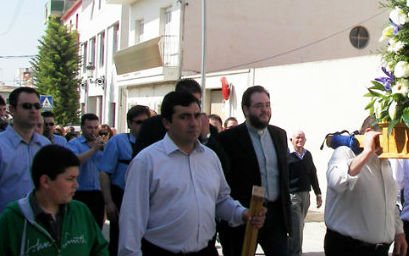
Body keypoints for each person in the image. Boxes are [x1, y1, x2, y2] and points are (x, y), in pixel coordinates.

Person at [118, 91, 266, 256]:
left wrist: (243, 213)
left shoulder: (210, 158)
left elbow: (221, 201)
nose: (193, 123)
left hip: (205, 250)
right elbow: (131, 221)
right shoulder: (146, 162)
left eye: (196, 116)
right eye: (184, 117)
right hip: (161, 250)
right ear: (167, 123)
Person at [0, 144, 109, 255]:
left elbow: (99, 248)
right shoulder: (14, 218)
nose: (76, 185)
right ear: (45, 181)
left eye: (77, 178)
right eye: (70, 179)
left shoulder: (80, 212)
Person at [0, 87, 50, 253]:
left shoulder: (45, 146)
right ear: (12, 110)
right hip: (7, 229)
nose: (33, 111)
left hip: (41, 229)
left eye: (37, 106)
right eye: (27, 106)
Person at [219, 86, 291, 256]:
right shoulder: (228, 139)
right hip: (243, 216)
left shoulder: (279, 135)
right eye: (259, 106)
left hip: (274, 216)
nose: (265, 110)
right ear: (246, 109)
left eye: (267, 105)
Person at [324, 118, 406, 256]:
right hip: (349, 248)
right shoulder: (345, 152)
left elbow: (389, 203)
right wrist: (367, 152)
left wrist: (399, 232)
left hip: (380, 250)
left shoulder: (386, 163)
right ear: (369, 134)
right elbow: (336, 182)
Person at [99, 105, 151, 256]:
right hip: (121, 195)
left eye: (145, 122)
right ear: (129, 124)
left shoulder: (154, 143)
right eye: (138, 122)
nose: (142, 126)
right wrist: (109, 203)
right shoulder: (117, 142)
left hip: (145, 198)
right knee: (119, 240)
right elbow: (104, 172)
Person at [133, 78, 202, 157]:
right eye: (183, 117)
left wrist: (206, 136)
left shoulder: (205, 128)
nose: (193, 123)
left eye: (198, 102)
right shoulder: (151, 126)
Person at [67, 113, 106, 229]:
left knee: (96, 228)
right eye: (89, 128)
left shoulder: (101, 145)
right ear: (82, 128)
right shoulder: (74, 144)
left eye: (95, 128)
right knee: (79, 229)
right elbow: (73, 161)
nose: (93, 131)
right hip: (80, 193)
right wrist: (94, 149)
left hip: (98, 194)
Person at [287, 130, 322, 256]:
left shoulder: (307, 155)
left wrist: (318, 193)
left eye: (302, 138)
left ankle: (289, 249)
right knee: (296, 226)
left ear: (305, 140)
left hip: (305, 195)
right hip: (293, 196)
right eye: (297, 138)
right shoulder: (287, 155)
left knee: (299, 225)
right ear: (291, 140)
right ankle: (296, 252)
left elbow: (313, 174)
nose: (299, 140)